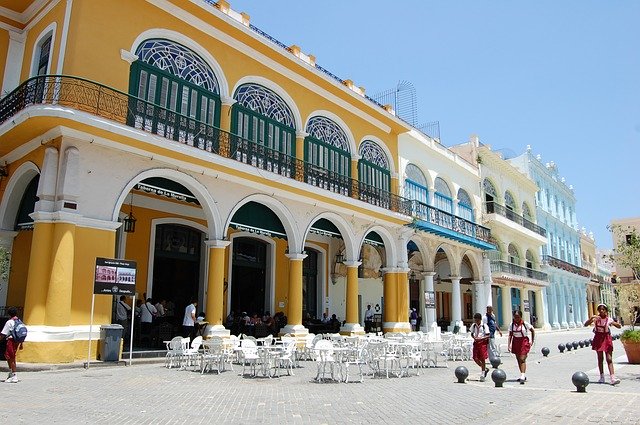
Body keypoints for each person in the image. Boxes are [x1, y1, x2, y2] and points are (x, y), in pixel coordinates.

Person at [585, 303, 622, 385]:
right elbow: (586, 324)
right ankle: (602, 377)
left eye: (603, 309)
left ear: (606, 311)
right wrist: (591, 318)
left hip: (606, 338)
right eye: (600, 309)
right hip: (598, 338)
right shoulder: (596, 319)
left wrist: (614, 323)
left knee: (609, 358)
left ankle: (612, 377)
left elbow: (619, 326)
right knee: (600, 358)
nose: (601, 311)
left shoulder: (609, 319)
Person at [508, 310, 535, 384]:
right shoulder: (512, 324)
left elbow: (532, 330)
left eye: (518, 317)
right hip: (516, 342)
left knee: (522, 358)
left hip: (524, 341)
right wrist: (509, 345)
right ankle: (522, 374)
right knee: (518, 359)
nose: (516, 318)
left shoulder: (525, 324)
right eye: (515, 317)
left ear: (521, 317)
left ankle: (522, 375)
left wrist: (532, 341)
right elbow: (510, 335)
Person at [0, 307, 24, 383]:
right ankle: (11, 374)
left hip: (11, 341)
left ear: (9, 314)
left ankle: (14, 375)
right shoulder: (19, 321)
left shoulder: (9, 322)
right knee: (10, 356)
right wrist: (21, 343)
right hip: (17, 341)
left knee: (11, 357)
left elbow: (3, 334)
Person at [470, 312, 490, 381]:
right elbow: (472, 333)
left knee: (482, 358)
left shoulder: (484, 326)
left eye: (477, 320)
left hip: (482, 343)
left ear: (480, 319)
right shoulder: (474, 326)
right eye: (475, 320)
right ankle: (484, 368)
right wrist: (474, 337)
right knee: (475, 358)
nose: (476, 321)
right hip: (476, 342)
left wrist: (481, 338)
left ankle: (483, 373)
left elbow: (488, 335)